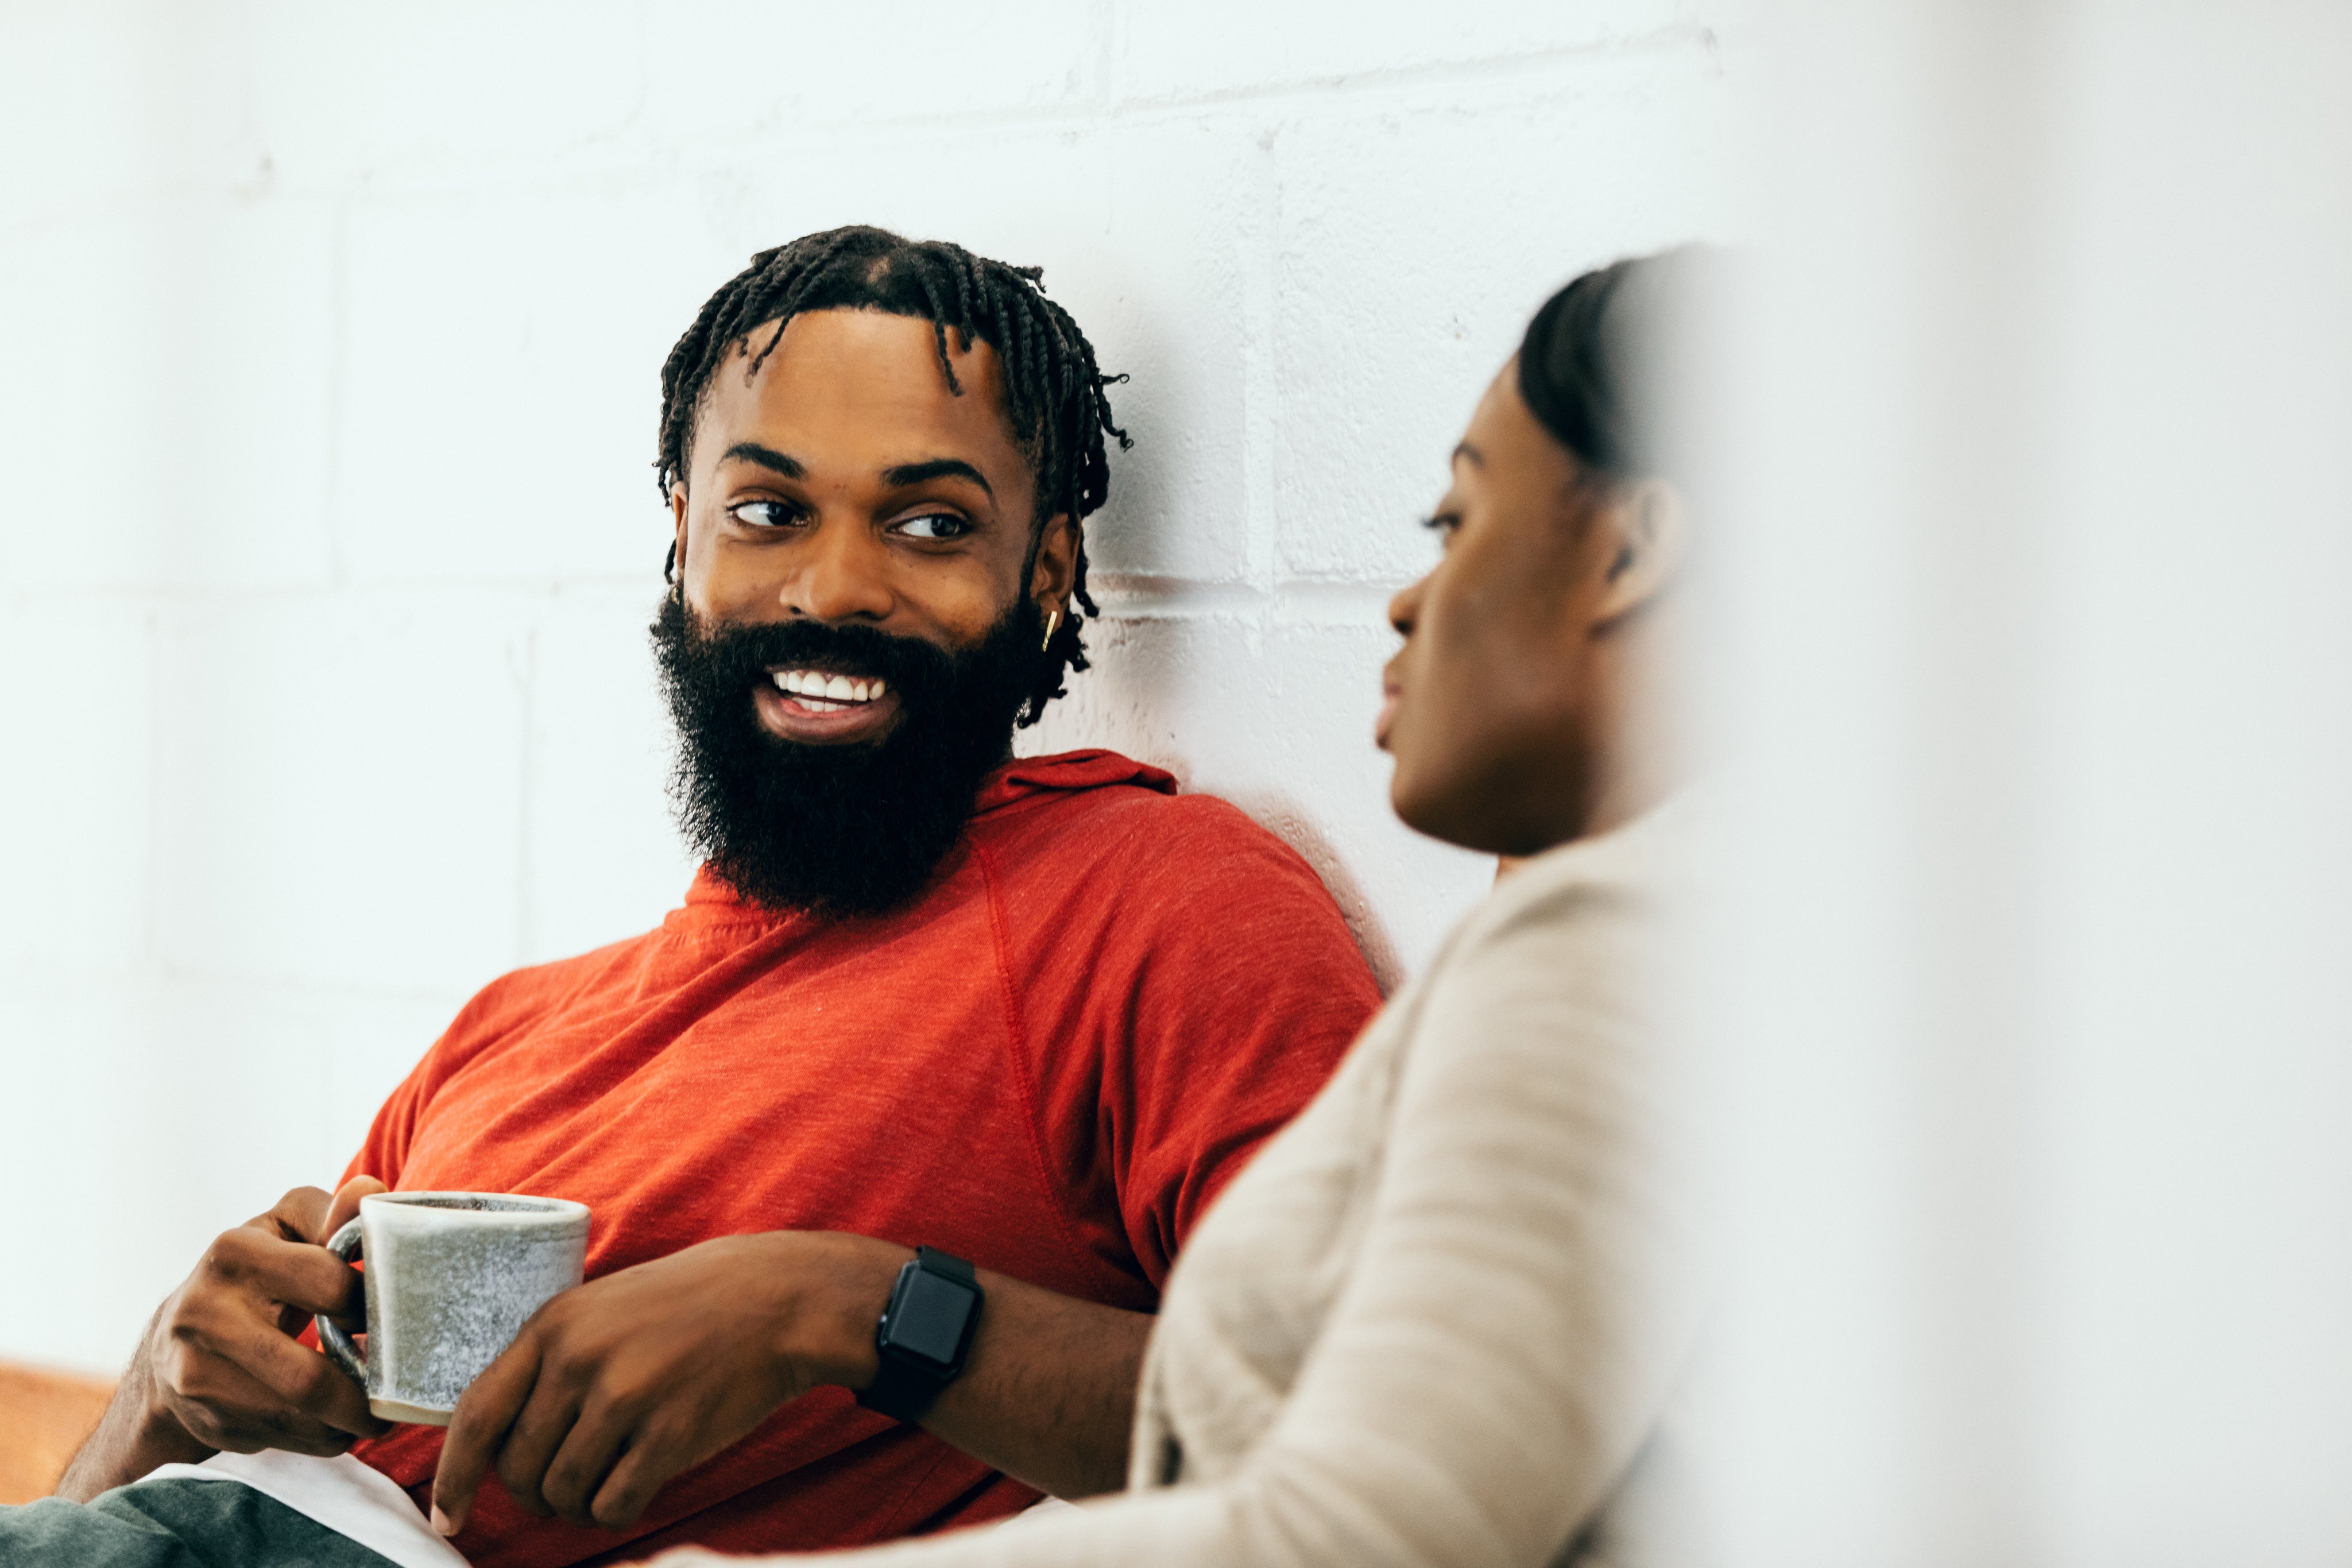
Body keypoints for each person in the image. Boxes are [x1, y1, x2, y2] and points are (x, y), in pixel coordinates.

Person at [11, 226, 1381, 1565]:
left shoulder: (1159, 903)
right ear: (684, 539)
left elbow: (1377, 1429)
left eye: (929, 523)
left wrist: (841, 1304)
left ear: (1046, 571)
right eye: (770, 511)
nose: (833, 587)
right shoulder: (510, 1030)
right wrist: (158, 1394)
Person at [659, 246, 1727, 1568]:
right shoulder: (1613, 935)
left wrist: (840, 1319)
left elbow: (1357, 1527)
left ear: (1631, 554)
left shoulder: (1630, 948)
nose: (1403, 599)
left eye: (1454, 524)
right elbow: (1291, 1442)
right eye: (768, 510)